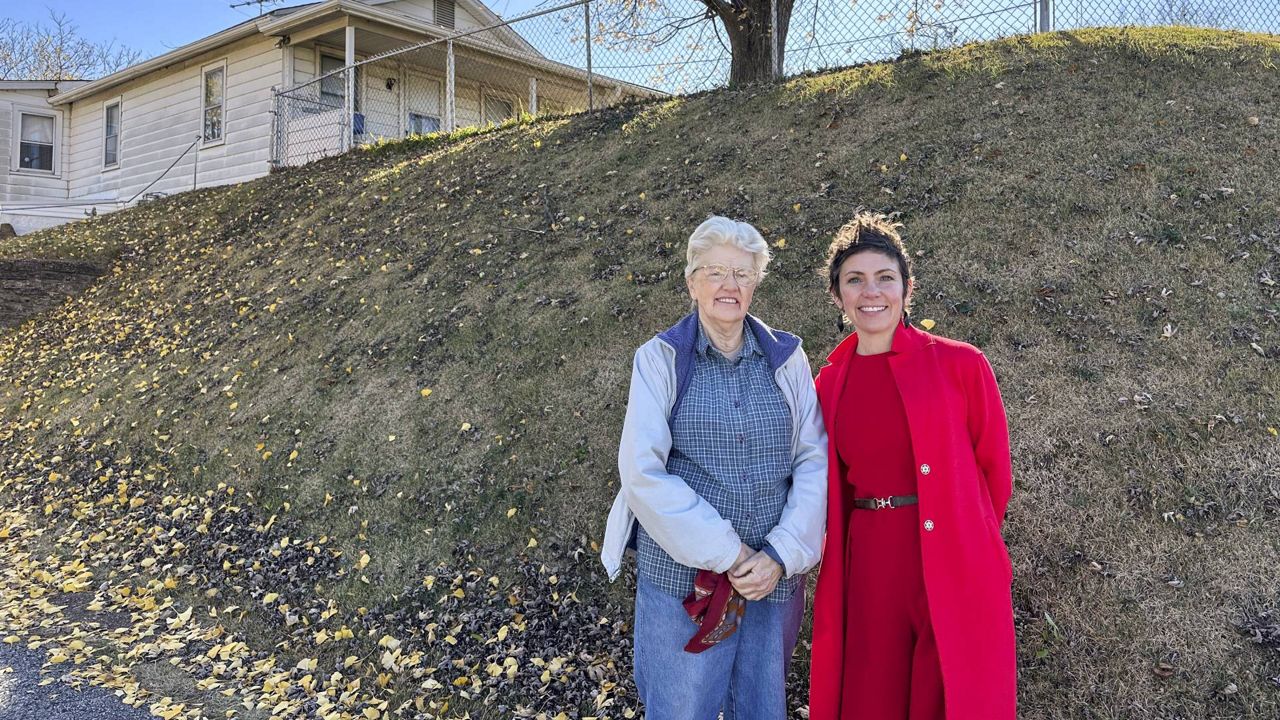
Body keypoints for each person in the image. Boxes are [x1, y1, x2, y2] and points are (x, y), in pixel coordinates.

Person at [601, 215, 827, 719]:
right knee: (682, 708)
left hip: (772, 581)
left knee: (762, 707)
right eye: (715, 272)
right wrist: (728, 551)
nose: (730, 285)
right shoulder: (660, 358)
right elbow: (642, 472)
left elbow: (812, 458)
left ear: (756, 284)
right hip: (685, 584)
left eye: (743, 274)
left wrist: (780, 554)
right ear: (691, 282)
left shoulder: (786, 358)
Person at [807, 213, 1016, 720]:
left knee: (950, 693)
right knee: (873, 693)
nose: (871, 291)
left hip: (957, 557)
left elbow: (995, 471)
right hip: (872, 563)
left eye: (885, 278)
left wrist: (972, 539)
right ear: (838, 296)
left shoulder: (962, 364)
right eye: (855, 280)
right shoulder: (827, 386)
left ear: (906, 288)